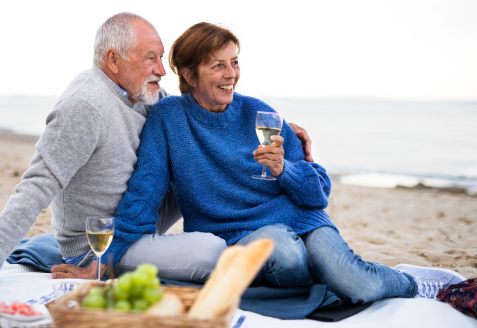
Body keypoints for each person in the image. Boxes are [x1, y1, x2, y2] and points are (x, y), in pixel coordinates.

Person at [0, 12, 315, 292]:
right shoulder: (85, 107)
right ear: (113, 60)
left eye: (161, 57)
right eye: (151, 58)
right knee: (212, 250)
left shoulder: (142, 93)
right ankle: (101, 266)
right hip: (101, 244)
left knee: (195, 154)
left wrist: (284, 132)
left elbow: (197, 114)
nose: (162, 70)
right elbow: (35, 187)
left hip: (140, 222)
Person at [93, 22, 465, 303]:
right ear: (188, 75)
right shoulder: (170, 119)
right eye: (217, 66)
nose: (231, 75)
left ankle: (413, 281)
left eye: (234, 63)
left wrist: (284, 168)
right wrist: (104, 262)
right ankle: (316, 268)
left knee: (356, 283)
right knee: (287, 259)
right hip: (236, 236)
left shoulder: (259, 113)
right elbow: (144, 193)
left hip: (300, 219)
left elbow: (318, 192)